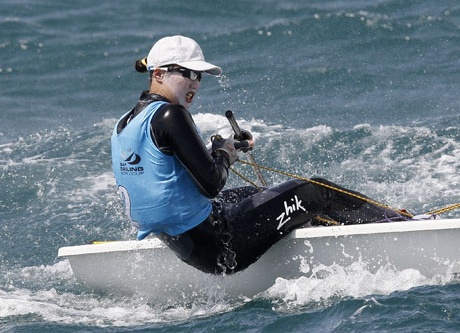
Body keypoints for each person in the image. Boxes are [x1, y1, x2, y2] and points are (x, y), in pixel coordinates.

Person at [111, 35, 408, 275]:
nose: (195, 83)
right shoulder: (169, 114)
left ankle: (319, 233)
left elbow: (174, 177)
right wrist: (225, 154)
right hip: (221, 248)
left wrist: (225, 149)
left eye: (199, 76)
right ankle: (399, 225)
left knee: (260, 194)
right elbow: (212, 183)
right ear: (159, 74)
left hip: (184, 242)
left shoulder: (125, 124)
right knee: (314, 190)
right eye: (187, 74)